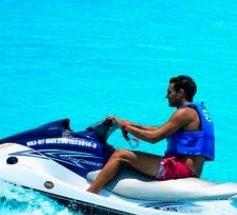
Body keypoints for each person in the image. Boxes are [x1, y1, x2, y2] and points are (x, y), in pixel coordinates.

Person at [87, 75, 215, 194]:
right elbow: (158, 129)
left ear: (180, 93)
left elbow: (153, 137)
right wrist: (130, 124)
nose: (166, 96)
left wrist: (124, 126)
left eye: (169, 92)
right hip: (187, 169)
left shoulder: (185, 113)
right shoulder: (194, 111)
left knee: (120, 154)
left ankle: (90, 195)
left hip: (181, 170)